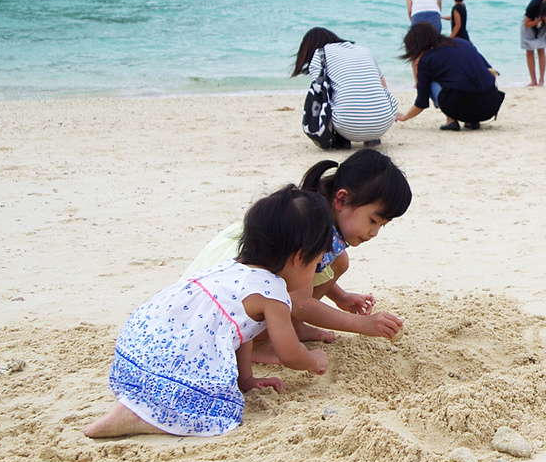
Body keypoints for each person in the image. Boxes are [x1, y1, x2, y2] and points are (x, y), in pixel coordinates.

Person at [84, 185, 332, 438]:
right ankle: (139, 416)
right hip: (175, 362)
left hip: (137, 350)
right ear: (299, 258)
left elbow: (239, 332)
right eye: (317, 262)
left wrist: (245, 380)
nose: (316, 270)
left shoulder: (230, 268)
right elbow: (289, 352)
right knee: (212, 408)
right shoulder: (273, 294)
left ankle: (136, 403)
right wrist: (314, 360)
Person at [182, 149, 412, 356]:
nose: (374, 233)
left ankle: (292, 326)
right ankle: (259, 344)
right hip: (229, 287)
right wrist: (362, 325)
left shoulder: (316, 215)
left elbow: (311, 270)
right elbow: (301, 303)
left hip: (233, 279)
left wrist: (340, 297)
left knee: (339, 261)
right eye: (372, 220)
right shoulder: (307, 229)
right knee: (285, 286)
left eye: (382, 225)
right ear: (341, 199)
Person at [292, 27, 398, 148]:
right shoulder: (363, 50)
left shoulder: (320, 53)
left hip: (347, 126)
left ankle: (340, 138)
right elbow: (382, 84)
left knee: (325, 95)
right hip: (383, 123)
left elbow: (320, 92)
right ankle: (372, 137)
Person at [397, 22, 504, 131]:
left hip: (460, 108)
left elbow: (422, 101)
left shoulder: (427, 59)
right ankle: (472, 121)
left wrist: (406, 116)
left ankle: (451, 121)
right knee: (463, 76)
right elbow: (490, 70)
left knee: (433, 81)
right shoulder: (463, 43)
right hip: (490, 106)